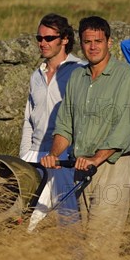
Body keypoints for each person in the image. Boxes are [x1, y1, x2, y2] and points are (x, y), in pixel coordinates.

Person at [40, 16, 130, 260]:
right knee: (83, 241)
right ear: (81, 45)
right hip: (81, 168)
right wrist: (53, 154)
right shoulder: (77, 78)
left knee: (101, 242)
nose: (93, 47)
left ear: (109, 42)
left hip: (112, 166)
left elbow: (124, 127)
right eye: (87, 42)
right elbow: (65, 125)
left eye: (98, 41)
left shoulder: (125, 75)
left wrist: (96, 158)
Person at [19, 13, 86, 232]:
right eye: (39, 38)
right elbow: (29, 117)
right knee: (26, 218)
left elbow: (83, 116)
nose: (42, 43)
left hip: (64, 157)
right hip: (34, 155)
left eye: (48, 38)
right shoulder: (36, 75)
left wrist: (69, 154)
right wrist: (24, 155)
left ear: (64, 39)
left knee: (67, 219)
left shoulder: (80, 71)